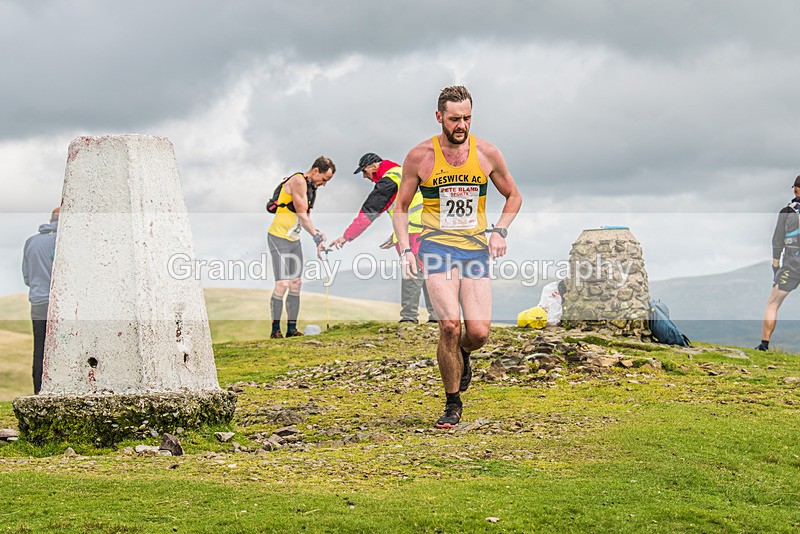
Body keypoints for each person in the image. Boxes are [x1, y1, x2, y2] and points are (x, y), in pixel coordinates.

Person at [392, 85, 522, 428]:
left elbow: (513, 196)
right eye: (454, 119)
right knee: (449, 325)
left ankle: (463, 354)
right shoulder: (420, 156)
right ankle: (453, 403)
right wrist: (406, 248)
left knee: (477, 333)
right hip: (436, 247)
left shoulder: (486, 153)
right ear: (439, 118)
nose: (461, 125)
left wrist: (500, 230)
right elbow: (401, 207)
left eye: (466, 118)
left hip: (475, 249)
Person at [330, 153, 437, 323]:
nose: (365, 176)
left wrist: (346, 236)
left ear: (374, 166)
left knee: (412, 271)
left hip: (415, 230)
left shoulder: (389, 180)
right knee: (428, 271)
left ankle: (409, 319)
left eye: (365, 171)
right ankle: (436, 318)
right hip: (428, 227)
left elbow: (369, 211)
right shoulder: (402, 172)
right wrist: (396, 234)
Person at [267, 156, 335, 339]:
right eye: (324, 179)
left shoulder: (310, 187)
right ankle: (275, 331)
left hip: (293, 239)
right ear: (315, 171)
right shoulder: (298, 180)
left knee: (296, 283)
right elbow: (301, 214)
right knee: (282, 284)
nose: (324, 184)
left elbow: (305, 220)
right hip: (278, 237)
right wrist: (315, 236)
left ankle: (291, 330)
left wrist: (317, 234)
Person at [756, 175, 800, 351]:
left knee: (773, 303)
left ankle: (764, 345)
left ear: (795, 189)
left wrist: (776, 266)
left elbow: (777, 241)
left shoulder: (787, 211)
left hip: (792, 263)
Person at [22, 207, 59, 394]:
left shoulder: (31, 242)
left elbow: (27, 278)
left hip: (37, 302)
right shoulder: (61, 241)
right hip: (57, 304)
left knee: (40, 349)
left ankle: (38, 391)